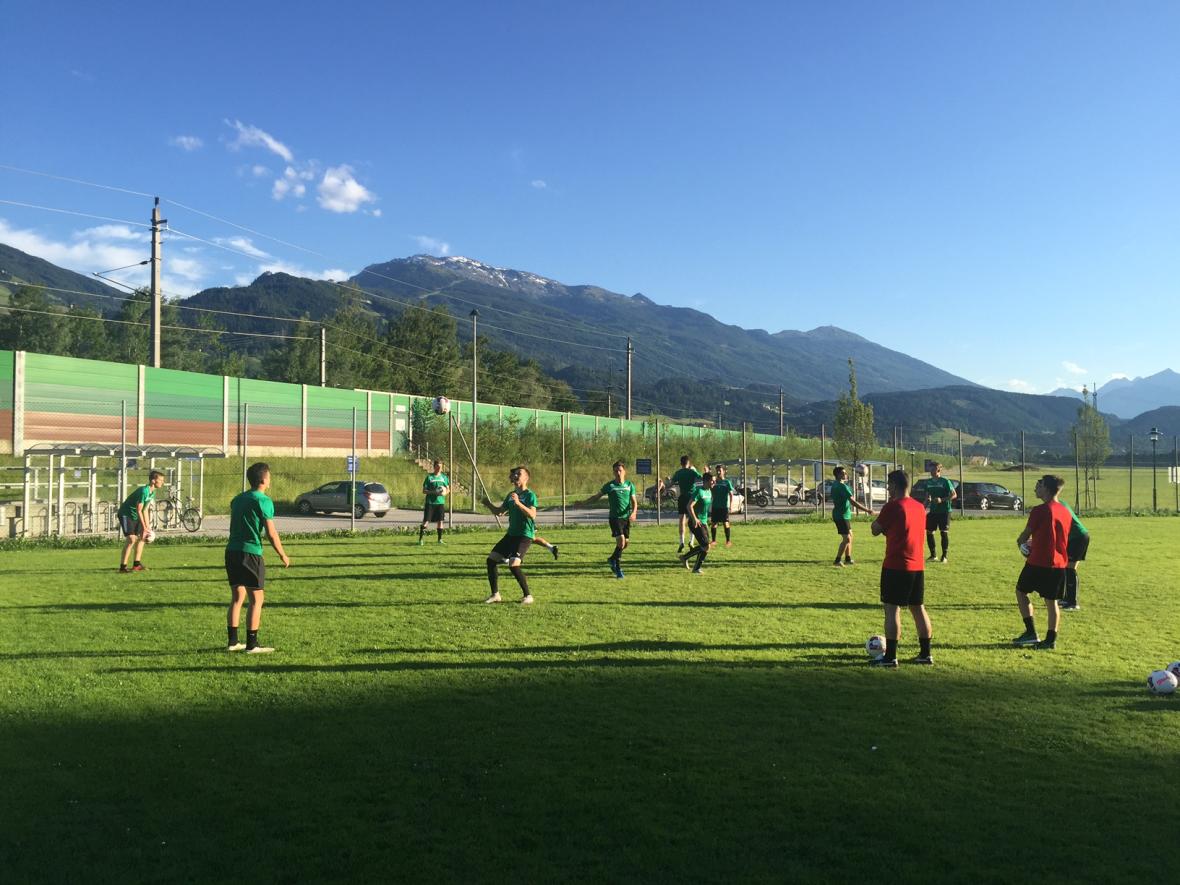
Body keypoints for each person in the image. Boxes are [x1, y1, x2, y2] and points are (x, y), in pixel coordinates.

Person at [869, 470, 933, 667]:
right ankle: (925, 654)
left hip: (896, 565)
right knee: (917, 608)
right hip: (917, 565)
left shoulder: (893, 506)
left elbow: (875, 529)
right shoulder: (919, 507)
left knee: (891, 609)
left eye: (888, 485)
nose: (887, 488)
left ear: (895, 485)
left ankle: (890, 657)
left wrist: (884, 525)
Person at [225, 462, 290, 654]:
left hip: (231, 552)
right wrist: (283, 555)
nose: (270, 480)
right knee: (257, 599)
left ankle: (233, 642)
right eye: (269, 477)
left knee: (237, 597)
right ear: (263, 479)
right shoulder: (263, 501)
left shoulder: (237, 499)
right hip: (251, 553)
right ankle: (252, 645)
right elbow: (271, 533)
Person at [1012, 475, 1071, 650]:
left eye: (1039, 485)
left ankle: (1031, 632)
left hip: (1038, 561)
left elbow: (1024, 535)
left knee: (1021, 592)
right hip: (1059, 563)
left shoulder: (1040, 510)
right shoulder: (1065, 510)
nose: (1035, 488)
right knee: (1051, 602)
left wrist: (1023, 544)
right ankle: (1050, 640)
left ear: (1046, 488)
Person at [482, 466, 539, 604]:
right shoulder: (511, 495)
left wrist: (518, 503)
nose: (515, 475)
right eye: (514, 474)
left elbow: (532, 514)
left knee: (513, 565)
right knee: (491, 560)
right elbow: (500, 512)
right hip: (511, 535)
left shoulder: (530, 495)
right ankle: (495, 595)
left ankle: (528, 596)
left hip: (524, 535)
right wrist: (488, 504)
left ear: (526, 478)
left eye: (519, 473)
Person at [577, 460, 638, 578]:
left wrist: (634, 512)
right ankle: (618, 568)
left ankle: (611, 559)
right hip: (615, 518)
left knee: (625, 544)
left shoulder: (630, 485)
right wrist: (584, 502)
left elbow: (634, 502)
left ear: (624, 471)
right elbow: (596, 496)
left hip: (626, 518)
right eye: (616, 471)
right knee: (621, 541)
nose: (618, 473)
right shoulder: (610, 486)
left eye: (620, 470)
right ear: (613, 472)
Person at [117, 470, 165, 573]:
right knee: (131, 539)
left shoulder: (152, 492)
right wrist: (143, 526)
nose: (162, 482)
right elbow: (139, 510)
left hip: (136, 515)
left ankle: (136, 565)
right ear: (153, 480)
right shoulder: (144, 491)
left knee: (142, 538)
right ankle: (122, 568)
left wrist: (147, 528)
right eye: (160, 480)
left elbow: (145, 510)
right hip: (126, 514)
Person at [830, 465, 873, 566]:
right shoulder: (842, 486)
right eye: (843, 473)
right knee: (847, 539)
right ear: (838, 475)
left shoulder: (835, 485)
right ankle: (837, 561)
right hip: (841, 516)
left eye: (845, 473)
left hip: (842, 514)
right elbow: (853, 502)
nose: (845, 474)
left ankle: (848, 559)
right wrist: (867, 510)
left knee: (850, 536)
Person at [678, 472, 715, 574]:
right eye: (712, 480)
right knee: (706, 546)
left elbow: (704, 510)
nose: (714, 482)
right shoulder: (699, 491)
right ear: (706, 481)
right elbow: (689, 506)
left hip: (703, 522)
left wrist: (706, 522)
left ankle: (685, 558)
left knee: (706, 546)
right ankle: (695, 567)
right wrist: (694, 519)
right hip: (695, 522)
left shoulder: (709, 492)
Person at [664, 455, 702, 552]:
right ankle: (691, 541)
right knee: (693, 519)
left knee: (681, 520)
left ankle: (681, 542)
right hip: (691, 498)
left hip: (682, 497)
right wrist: (696, 470)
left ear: (681, 464)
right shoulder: (692, 472)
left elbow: (670, 484)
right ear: (688, 463)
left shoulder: (678, 473)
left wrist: (665, 485)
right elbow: (701, 478)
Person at [924, 462, 957, 563]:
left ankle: (944, 556)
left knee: (943, 532)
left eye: (933, 469)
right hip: (933, 511)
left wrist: (941, 500)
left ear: (938, 470)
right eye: (930, 469)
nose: (931, 471)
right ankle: (933, 555)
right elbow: (927, 496)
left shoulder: (945, 481)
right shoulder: (928, 482)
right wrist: (923, 507)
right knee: (929, 532)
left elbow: (954, 495)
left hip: (945, 511)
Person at [1060, 501, 1089, 611]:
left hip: (1078, 537)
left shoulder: (1057, 505)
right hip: (1073, 538)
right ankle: (1067, 598)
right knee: (1066, 569)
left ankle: (1073, 603)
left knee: (1070, 569)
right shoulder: (1058, 503)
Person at [418, 459, 449, 545]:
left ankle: (440, 540)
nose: (439, 468)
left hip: (440, 503)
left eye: (441, 467)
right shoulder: (429, 477)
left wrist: (444, 493)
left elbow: (448, 489)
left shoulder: (444, 478)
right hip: (430, 503)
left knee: (440, 521)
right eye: (438, 467)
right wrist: (434, 492)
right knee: (426, 521)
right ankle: (421, 539)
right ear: (434, 467)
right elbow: (424, 491)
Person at [710, 464, 736, 547]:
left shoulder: (727, 482)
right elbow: (710, 489)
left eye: (720, 471)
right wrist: (712, 483)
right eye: (717, 470)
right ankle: (713, 541)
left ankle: (728, 541)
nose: (718, 472)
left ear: (724, 472)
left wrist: (731, 506)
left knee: (726, 523)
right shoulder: (714, 482)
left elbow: (731, 494)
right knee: (714, 524)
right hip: (715, 506)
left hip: (724, 507)